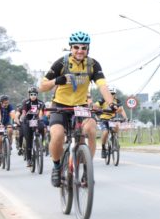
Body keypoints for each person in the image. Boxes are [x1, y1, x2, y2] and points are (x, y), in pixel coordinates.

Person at [39, 31, 116, 187]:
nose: (80, 50)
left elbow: (103, 86)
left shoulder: (93, 65)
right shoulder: (62, 63)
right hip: (60, 106)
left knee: (92, 129)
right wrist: (56, 80)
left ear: (88, 49)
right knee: (58, 135)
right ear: (71, 48)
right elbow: (42, 86)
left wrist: (111, 103)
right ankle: (56, 167)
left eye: (83, 47)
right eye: (76, 47)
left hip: (80, 107)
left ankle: (87, 169)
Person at [94, 86, 128, 158]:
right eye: (110, 93)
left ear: (115, 94)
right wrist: (98, 109)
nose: (111, 95)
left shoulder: (117, 101)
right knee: (105, 132)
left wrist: (125, 118)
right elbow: (96, 105)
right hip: (103, 119)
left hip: (112, 119)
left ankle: (115, 140)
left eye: (113, 93)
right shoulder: (102, 99)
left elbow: (122, 110)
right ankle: (103, 148)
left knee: (117, 126)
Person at [19, 87, 45, 167]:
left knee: (42, 127)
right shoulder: (25, 102)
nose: (33, 96)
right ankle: (29, 159)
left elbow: (41, 112)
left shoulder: (41, 103)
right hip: (27, 120)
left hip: (36, 120)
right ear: (29, 95)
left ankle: (41, 143)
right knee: (29, 140)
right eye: (31, 94)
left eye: (35, 94)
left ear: (37, 95)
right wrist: (23, 117)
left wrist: (40, 118)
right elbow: (23, 112)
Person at [0, 94, 16, 165]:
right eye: (5, 103)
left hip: (7, 122)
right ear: (1, 102)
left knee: (10, 130)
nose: (6, 104)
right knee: (0, 138)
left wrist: (15, 120)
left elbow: (13, 113)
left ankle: (9, 144)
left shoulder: (9, 106)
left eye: (7, 102)